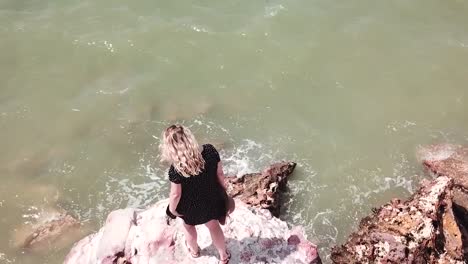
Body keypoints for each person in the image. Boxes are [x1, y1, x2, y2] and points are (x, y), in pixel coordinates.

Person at [160, 124, 231, 264]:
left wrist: (172, 210)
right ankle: (223, 256)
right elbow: (220, 175)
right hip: (211, 198)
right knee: (213, 225)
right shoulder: (210, 151)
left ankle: (195, 252)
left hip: (190, 207)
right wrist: (224, 193)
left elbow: (176, 195)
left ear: (170, 147)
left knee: (188, 227)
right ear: (189, 137)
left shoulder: (176, 169)